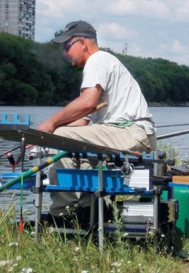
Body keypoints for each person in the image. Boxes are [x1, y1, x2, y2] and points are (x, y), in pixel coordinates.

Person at [37, 20, 156, 226]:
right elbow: (82, 122)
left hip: (130, 132)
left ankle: (60, 216)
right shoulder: (103, 63)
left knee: (60, 139)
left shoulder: (97, 60)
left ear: (82, 43)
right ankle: (88, 212)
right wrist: (43, 133)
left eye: (67, 46)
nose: (65, 53)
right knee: (73, 148)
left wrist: (50, 126)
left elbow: (86, 103)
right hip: (130, 132)